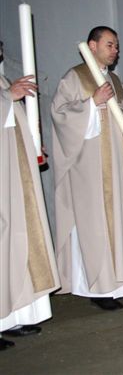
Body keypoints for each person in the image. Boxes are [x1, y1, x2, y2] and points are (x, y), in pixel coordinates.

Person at [51, 26, 123, 311]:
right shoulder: (74, 77)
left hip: (120, 167)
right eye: (110, 45)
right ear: (92, 45)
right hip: (90, 171)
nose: (115, 51)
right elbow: (60, 117)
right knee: (96, 227)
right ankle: (99, 289)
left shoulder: (116, 82)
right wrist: (91, 104)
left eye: (117, 46)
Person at [1, 45, 60, 350]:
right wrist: (6, 99)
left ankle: (11, 317)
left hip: (13, 172)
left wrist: (31, 143)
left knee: (17, 241)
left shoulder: (2, 80)